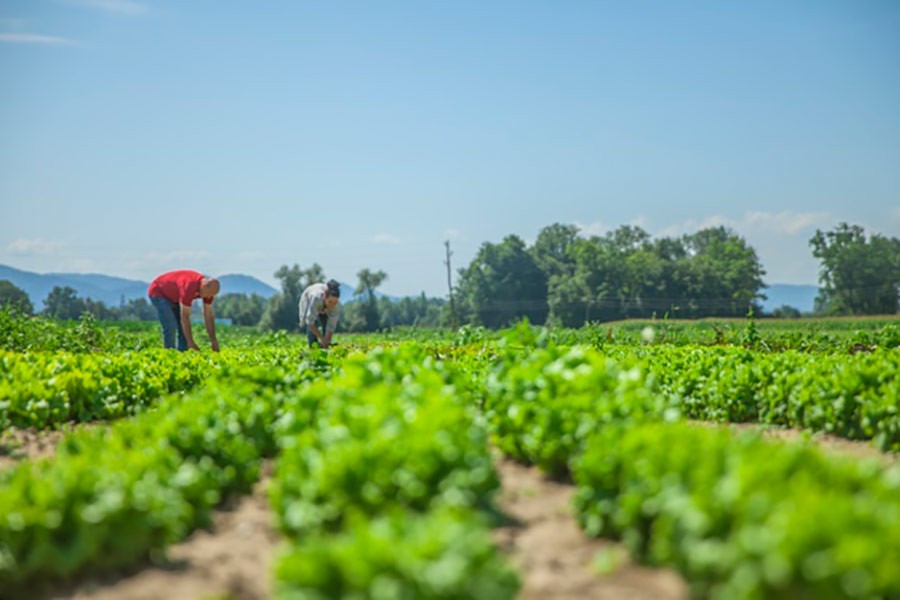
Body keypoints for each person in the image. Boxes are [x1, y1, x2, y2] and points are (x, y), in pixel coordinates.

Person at [147, 270, 221, 352]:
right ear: (202, 286)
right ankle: (169, 354)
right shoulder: (189, 287)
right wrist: (190, 342)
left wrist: (213, 340)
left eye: (211, 295)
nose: (208, 297)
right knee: (170, 326)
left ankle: (183, 354)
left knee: (183, 330)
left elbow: (208, 316)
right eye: (207, 294)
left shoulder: (209, 292)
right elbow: (185, 317)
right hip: (159, 292)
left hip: (175, 296)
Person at [298, 279, 341, 348]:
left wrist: (326, 340)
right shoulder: (315, 298)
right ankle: (312, 346)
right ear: (325, 297)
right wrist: (321, 338)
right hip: (308, 299)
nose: (332, 305)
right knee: (311, 323)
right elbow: (310, 323)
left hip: (322, 304)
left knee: (325, 323)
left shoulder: (335, 306)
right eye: (330, 302)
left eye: (335, 302)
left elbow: (331, 326)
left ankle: (325, 346)